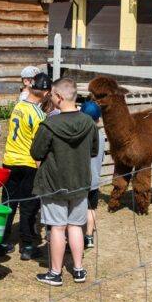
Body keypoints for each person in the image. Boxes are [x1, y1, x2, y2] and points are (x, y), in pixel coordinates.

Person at [30, 78, 98, 286]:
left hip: (54, 184)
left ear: (59, 97)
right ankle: (78, 269)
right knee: (76, 226)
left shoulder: (49, 125)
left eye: (51, 94)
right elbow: (93, 150)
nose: (50, 97)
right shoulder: (89, 122)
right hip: (80, 183)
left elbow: (36, 152)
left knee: (58, 228)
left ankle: (55, 273)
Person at [2, 72, 51, 260]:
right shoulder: (39, 114)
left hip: (10, 161)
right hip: (28, 163)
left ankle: (1, 242)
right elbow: (40, 144)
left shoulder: (18, 106)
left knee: (8, 202)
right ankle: (27, 245)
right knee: (28, 205)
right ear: (46, 93)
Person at [80, 99, 107, 249]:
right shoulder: (101, 136)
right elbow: (101, 158)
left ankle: (75, 237)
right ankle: (89, 237)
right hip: (94, 180)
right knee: (91, 208)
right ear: (98, 119)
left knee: (76, 210)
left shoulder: (78, 135)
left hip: (79, 180)